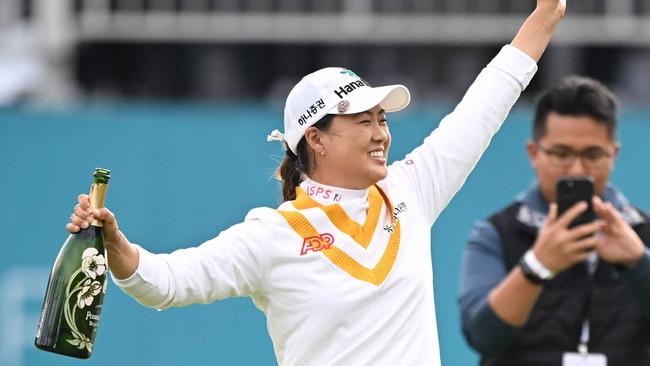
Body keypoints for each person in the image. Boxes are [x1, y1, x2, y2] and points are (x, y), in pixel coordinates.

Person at [68, 1, 566, 364]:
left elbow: (483, 107)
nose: (381, 135)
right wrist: (114, 241)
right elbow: (167, 282)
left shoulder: (410, 190)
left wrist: (545, 14)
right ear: (317, 140)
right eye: (363, 121)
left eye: (382, 120)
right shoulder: (273, 234)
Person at [459, 75, 650, 366]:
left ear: (614, 155)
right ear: (533, 153)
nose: (576, 168)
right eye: (561, 153)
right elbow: (482, 335)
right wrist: (537, 266)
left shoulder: (642, 233)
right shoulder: (495, 234)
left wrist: (638, 263)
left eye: (593, 154)